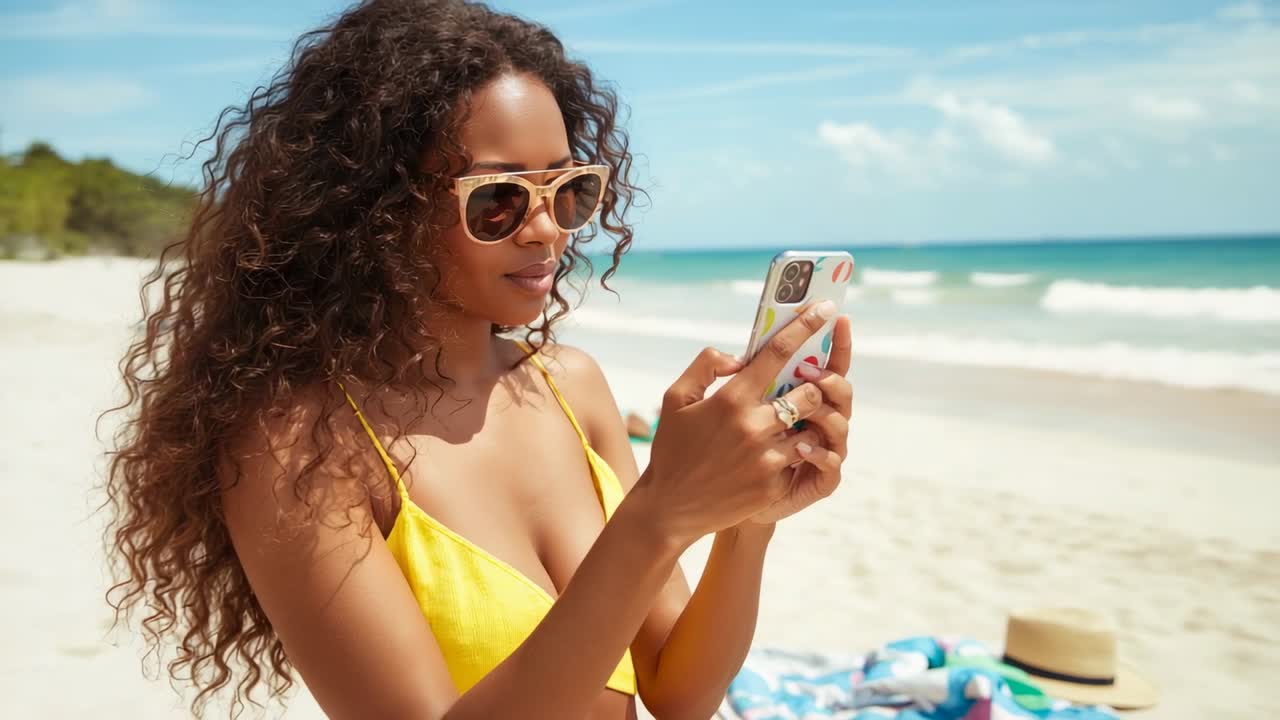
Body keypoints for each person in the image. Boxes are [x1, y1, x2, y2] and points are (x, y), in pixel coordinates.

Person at [102, 1, 854, 718]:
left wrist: (748, 521)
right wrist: (659, 515)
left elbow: (679, 695)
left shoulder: (571, 387)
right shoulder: (299, 446)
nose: (547, 230)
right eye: (498, 198)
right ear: (374, 208)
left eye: (567, 189)